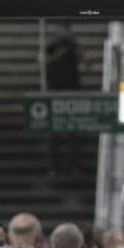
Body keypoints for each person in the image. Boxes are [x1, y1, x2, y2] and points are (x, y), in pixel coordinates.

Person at [44, 24, 87, 181]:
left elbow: (87, 63)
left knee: (72, 134)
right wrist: (58, 55)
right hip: (55, 92)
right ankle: (55, 168)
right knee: (54, 134)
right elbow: (41, 63)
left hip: (72, 92)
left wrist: (75, 52)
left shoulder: (74, 47)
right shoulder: (51, 47)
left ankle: (73, 167)